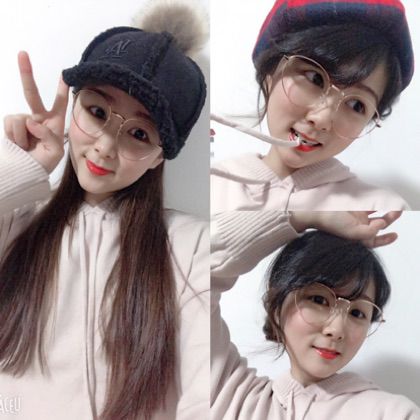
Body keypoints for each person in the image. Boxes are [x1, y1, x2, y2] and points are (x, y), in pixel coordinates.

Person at [0, 1, 209, 419]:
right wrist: (20, 169)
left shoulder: (191, 247)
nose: (105, 146)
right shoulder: (15, 219)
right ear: (73, 106)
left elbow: (206, 395)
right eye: (96, 112)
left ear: (160, 156)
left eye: (139, 133)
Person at [211, 211, 420, 419]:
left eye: (357, 313)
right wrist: (302, 215)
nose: (336, 330)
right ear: (276, 306)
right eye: (319, 300)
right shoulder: (232, 394)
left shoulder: (392, 414)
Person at [211, 0, 415, 211]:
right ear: (271, 72)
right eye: (315, 79)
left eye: (356, 105)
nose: (322, 119)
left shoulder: (380, 210)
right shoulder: (215, 185)